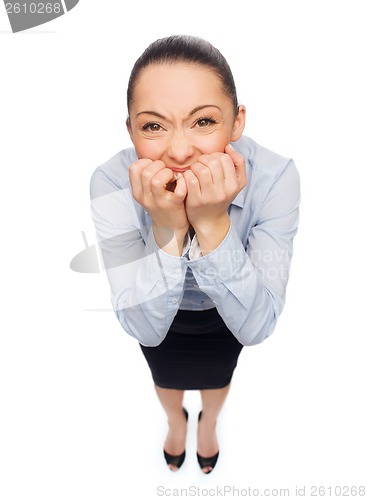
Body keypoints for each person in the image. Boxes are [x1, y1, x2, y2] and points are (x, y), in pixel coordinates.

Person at [89, 35, 300, 474]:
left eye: (203, 122)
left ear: (237, 122)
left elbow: (257, 325)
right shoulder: (110, 182)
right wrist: (167, 229)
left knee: (219, 376)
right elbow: (143, 327)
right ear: (131, 130)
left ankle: (209, 424)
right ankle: (175, 422)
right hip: (160, 320)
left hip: (227, 318)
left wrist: (212, 223)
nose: (180, 151)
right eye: (153, 126)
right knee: (164, 375)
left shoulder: (276, 177)